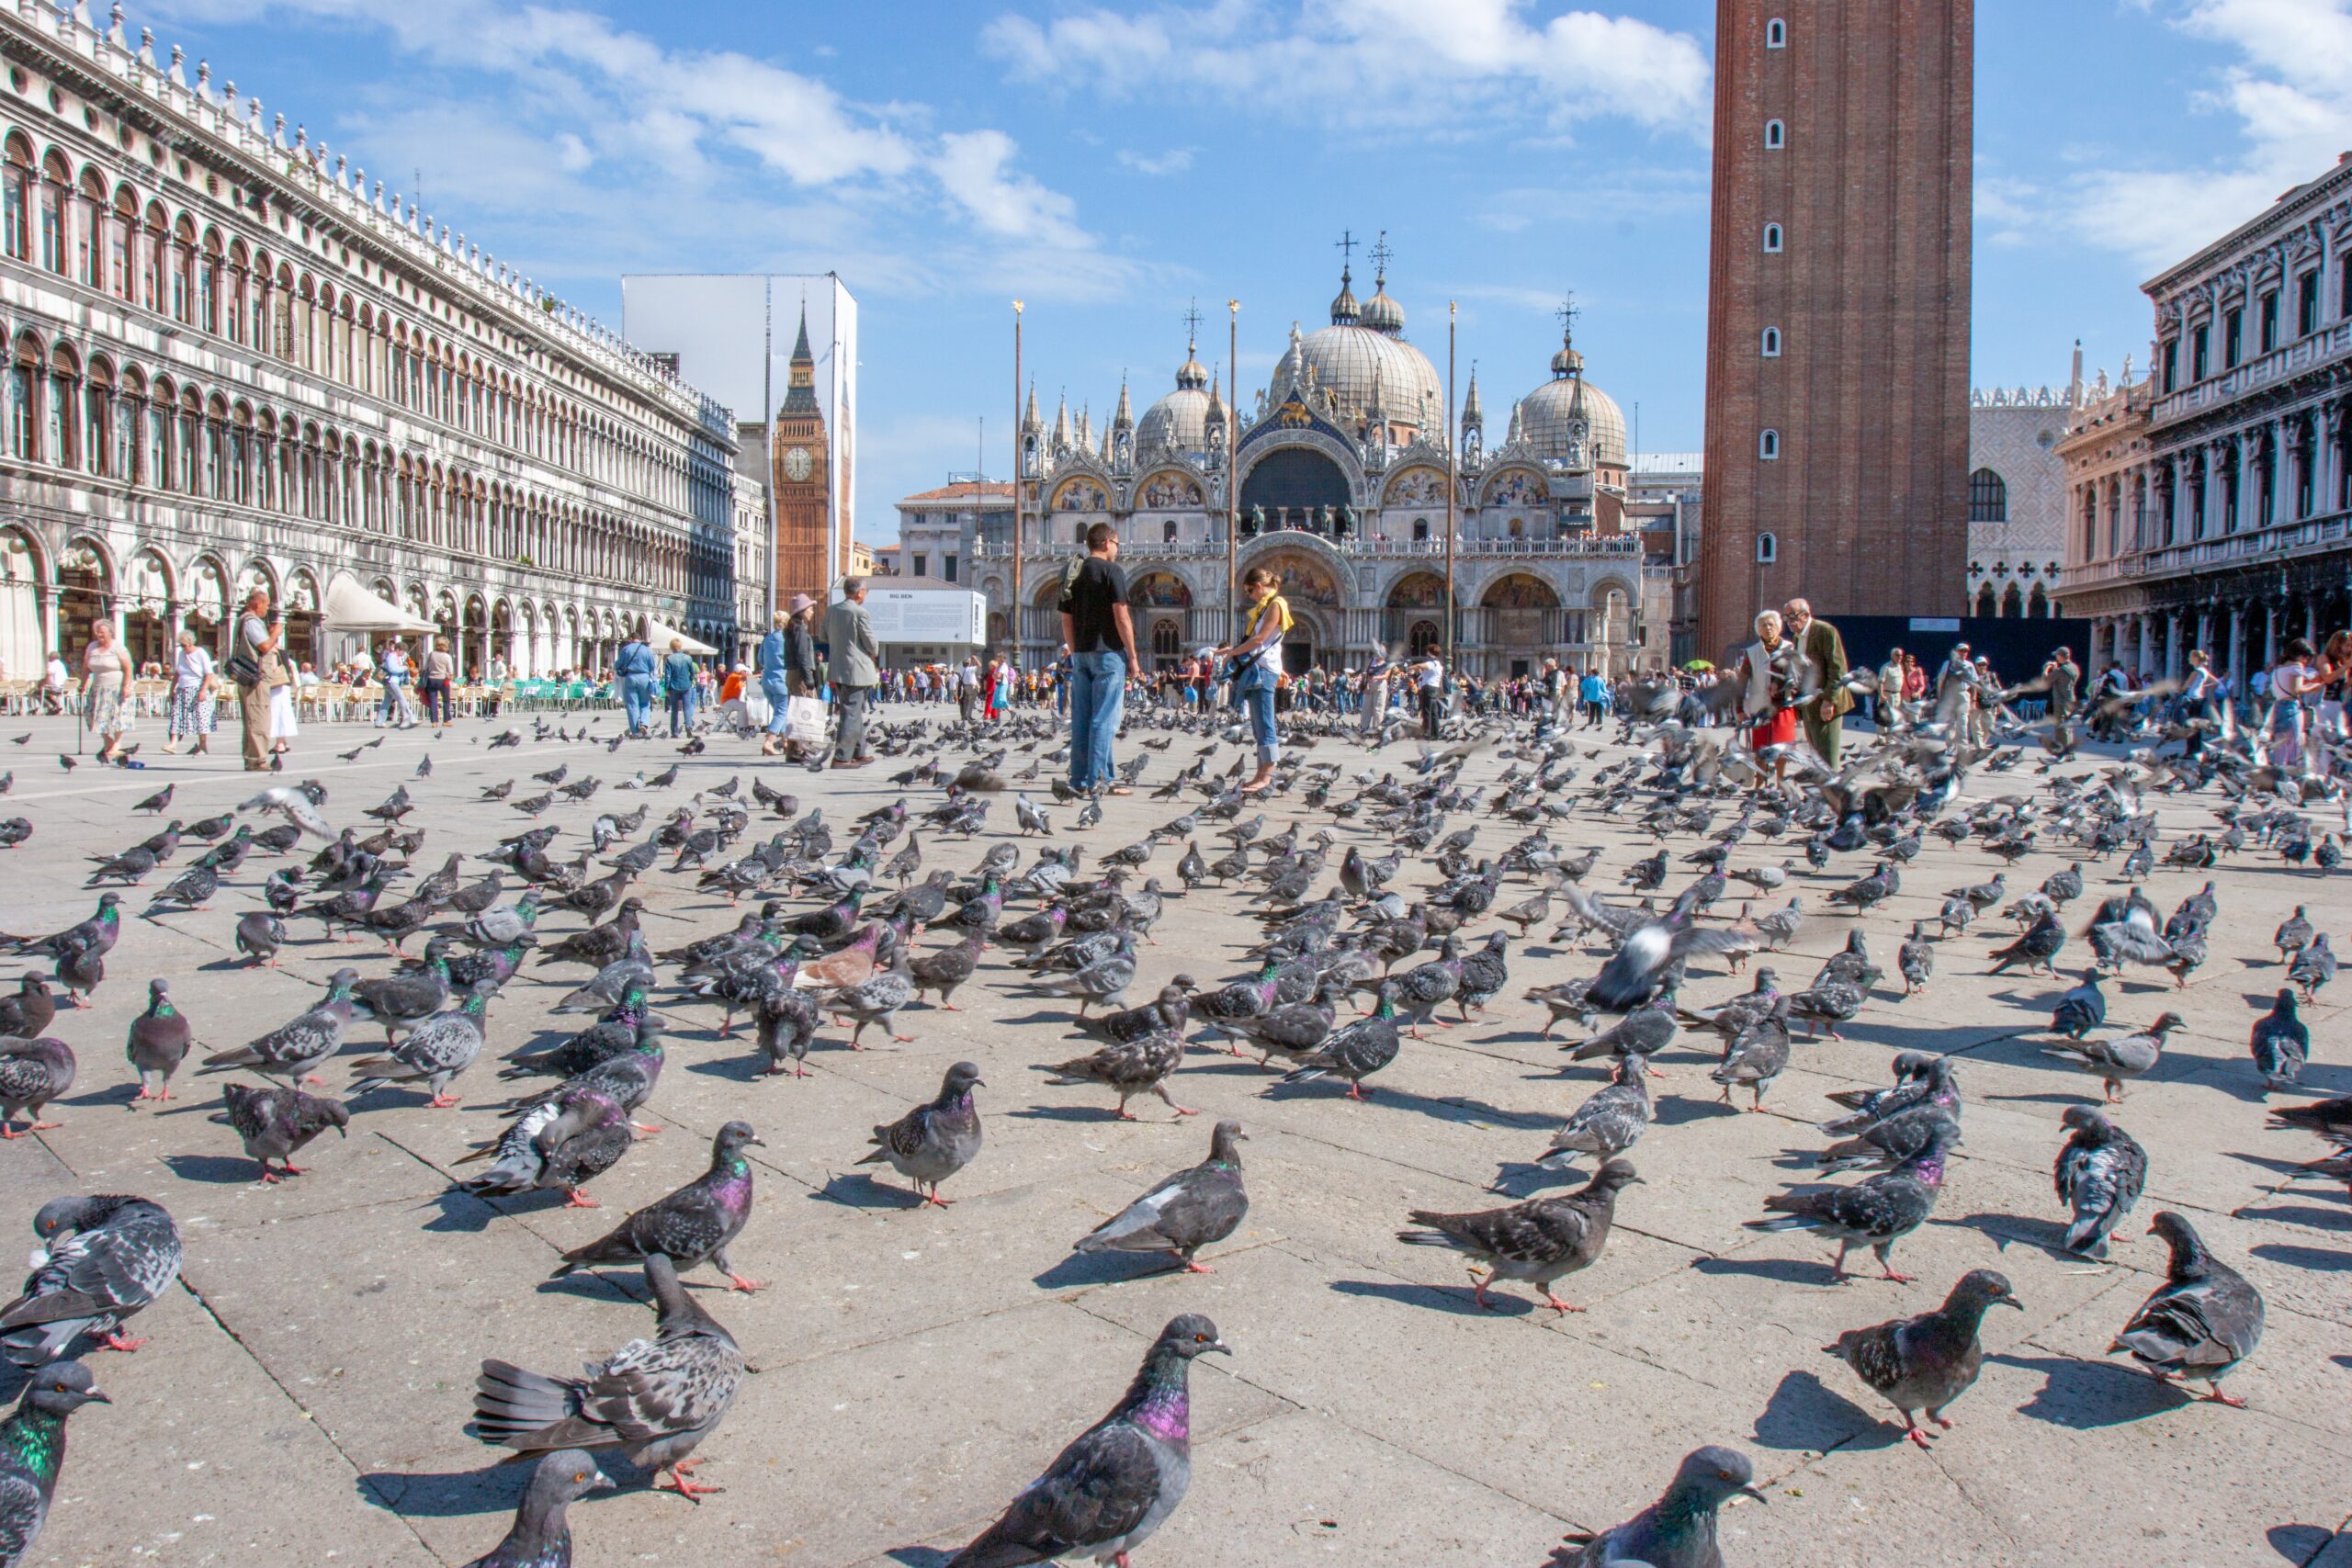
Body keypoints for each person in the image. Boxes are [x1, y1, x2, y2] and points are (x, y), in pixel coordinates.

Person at [1059, 523, 1138, 795]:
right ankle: (1099, 781)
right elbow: (1122, 616)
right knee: (1105, 720)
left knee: (1083, 719)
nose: (1118, 549)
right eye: (1117, 544)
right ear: (1107, 542)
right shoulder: (1112, 571)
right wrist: (1133, 656)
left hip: (1081, 654)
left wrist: (1075, 650)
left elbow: (1066, 619)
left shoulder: (1070, 572)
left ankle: (1081, 780)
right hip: (1108, 654)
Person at [1212, 566, 1292, 795]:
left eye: (1249, 591)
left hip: (1264, 672)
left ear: (1258, 586)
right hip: (1262, 669)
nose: (1249, 596)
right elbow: (1269, 644)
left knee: (1266, 724)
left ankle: (1267, 777)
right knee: (1258, 725)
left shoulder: (1276, 604)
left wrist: (1233, 652)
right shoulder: (1265, 608)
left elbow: (1259, 640)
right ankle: (1260, 773)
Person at [1781, 597, 1850, 765]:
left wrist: (1829, 700)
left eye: (1792, 616)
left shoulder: (1825, 631)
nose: (1789, 622)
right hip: (1809, 705)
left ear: (1805, 615)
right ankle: (1821, 791)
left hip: (1827, 705)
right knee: (1816, 758)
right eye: (1786, 617)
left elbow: (1838, 669)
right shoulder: (1798, 638)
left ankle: (1831, 791)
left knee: (1827, 759)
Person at [820, 577, 881, 770]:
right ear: (859, 592)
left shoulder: (832, 610)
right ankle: (842, 757)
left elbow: (823, 635)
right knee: (850, 712)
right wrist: (873, 652)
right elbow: (871, 643)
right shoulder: (859, 612)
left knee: (853, 711)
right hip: (857, 669)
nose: (865, 595)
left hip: (838, 667)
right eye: (865, 591)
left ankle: (859, 751)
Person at [1737, 611, 1798, 786]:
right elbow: (1741, 683)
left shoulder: (1790, 649)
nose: (1768, 628)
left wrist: (1781, 686)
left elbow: (1796, 676)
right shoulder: (1752, 652)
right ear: (1758, 630)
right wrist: (1739, 710)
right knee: (1760, 748)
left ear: (1779, 627)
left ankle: (1781, 782)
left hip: (1783, 706)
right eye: (1764, 625)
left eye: (1771, 624)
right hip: (1760, 706)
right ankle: (1759, 782)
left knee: (1782, 747)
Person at [233, 588, 280, 771]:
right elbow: (264, 646)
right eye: (266, 605)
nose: (267, 610)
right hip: (256, 678)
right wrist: (275, 633)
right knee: (258, 719)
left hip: (250, 676)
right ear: (257, 603)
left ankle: (252, 758)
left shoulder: (244, 621)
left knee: (252, 719)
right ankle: (257, 759)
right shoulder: (251, 621)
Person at [81, 618, 131, 763]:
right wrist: (82, 683)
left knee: (117, 715)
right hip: (97, 686)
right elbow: (85, 667)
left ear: (110, 632)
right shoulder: (92, 647)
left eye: (102, 632)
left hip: (116, 686)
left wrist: (126, 686)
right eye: (97, 632)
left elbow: (128, 667)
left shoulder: (117, 647)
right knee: (91, 714)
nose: (99, 635)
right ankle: (107, 739)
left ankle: (117, 742)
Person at [163, 628, 218, 755]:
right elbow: (178, 672)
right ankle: (173, 744)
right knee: (177, 716)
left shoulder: (201, 653)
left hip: (197, 688)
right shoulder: (182, 654)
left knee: (201, 717)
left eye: (184, 645)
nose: (183, 648)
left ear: (190, 642)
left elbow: (208, 673)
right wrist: (172, 689)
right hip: (183, 689)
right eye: (180, 645)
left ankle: (203, 745)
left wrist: (203, 690)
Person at [756, 607, 796, 757]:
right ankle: (769, 742)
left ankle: (785, 742)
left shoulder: (767, 639)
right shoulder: (787, 639)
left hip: (767, 681)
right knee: (781, 713)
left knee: (781, 713)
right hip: (782, 680)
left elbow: (760, 659)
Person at [613, 627, 656, 737]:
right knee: (645, 703)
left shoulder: (626, 649)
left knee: (632, 704)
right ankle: (644, 724)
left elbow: (617, 665)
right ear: (640, 639)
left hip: (630, 677)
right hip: (644, 677)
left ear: (631, 639)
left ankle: (635, 731)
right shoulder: (647, 650)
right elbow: (652, 666)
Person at [419, 634, 456, 734]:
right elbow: (450, 671)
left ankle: (434, 721)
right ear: (446, 646)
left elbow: (425, 667)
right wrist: (449, 675)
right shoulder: (447, 657)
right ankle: (446, 720)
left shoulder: (431, 654)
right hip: (443, 680)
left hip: (431, 679)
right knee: (446, 700)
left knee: (433, 701)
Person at [661, 638, 697, 738]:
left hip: (674, 686)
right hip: (686, 685)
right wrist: (689, 680)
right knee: (687, 708)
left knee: (675, 710)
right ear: (680, 646)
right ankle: (689, 727)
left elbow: (667, 676)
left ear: (671, 647)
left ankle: (675, 732)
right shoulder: (688, 658)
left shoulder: (669, 659)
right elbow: (692, 672)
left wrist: (667, 688)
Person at [1412, 649, 1445, 738]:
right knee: (1433, 711)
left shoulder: (1432, 663)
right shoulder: (1439, 665)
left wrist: (1410, 667)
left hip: (1428, 688)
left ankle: (1427, 732)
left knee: (1426, 711)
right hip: (1435, 688)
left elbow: (1420, 665)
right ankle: (1436, 733)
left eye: (1428, 652)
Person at [1877, 648, 1907, 731]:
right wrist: (1882, 695)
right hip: (1887, 694)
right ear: (1892, 656)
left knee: (1895, 717)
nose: (1900, 657)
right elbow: (1880, 682)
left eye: (1901, 656)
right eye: (1897, 655)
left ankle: (1891, 738)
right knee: (1884, 717)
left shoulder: (1901, 667)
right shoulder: (1886, 667)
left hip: (1897, 695)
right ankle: (1881, 738)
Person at [40, 649, 67, 714]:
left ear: (51, 658)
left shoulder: (53, 664)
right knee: (45, 692)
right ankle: (55, 705)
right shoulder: (61, 664)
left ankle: (51, 706)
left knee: (38, 693)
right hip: (65, 687)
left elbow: (49, 674)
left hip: (57, 687)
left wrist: (43, 684)